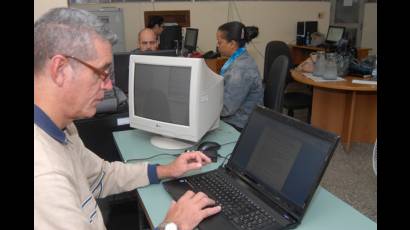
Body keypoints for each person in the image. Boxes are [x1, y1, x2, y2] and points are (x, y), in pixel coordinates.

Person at [34, 8, 221, 230]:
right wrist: (173, 226)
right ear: (60, 69)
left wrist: (167, 170)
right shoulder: (44, 177)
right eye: (102, 73)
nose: (108, 85)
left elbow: (102, 177)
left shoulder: (63, 128)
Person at [216, 21, 264, 132]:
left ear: (232, 44)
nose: (217, 46)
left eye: (219, 42)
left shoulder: (241, 69)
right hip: (236, 114)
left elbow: (227, 109)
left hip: (241, 123)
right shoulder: (239, 58)